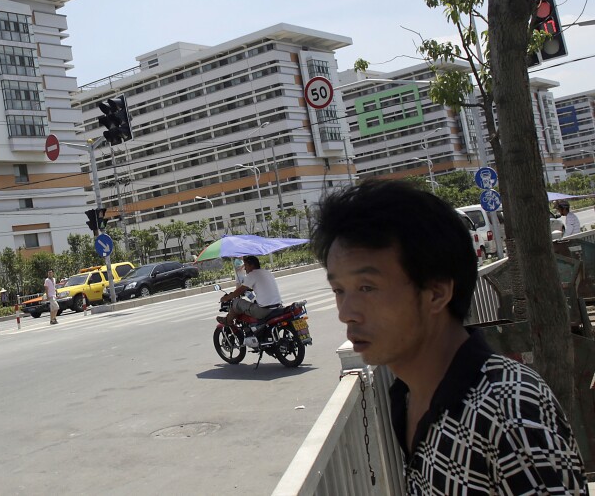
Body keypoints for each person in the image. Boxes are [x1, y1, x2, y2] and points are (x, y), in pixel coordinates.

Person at [310, 180, 585, 494]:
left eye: (366, 288)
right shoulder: (407, 395)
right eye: (339, 291)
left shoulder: (508, 411)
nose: (346, 313)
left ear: (436, 293)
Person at [216, 255, 282, 327]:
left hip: (264, 310)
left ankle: (227, 320)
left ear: (252, 265)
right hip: (278, 306)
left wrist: (227, 298)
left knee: (237, 302)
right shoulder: (267, 272)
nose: (244, 269)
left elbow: (240, 291)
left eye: (246, 265)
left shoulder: (252, 274)